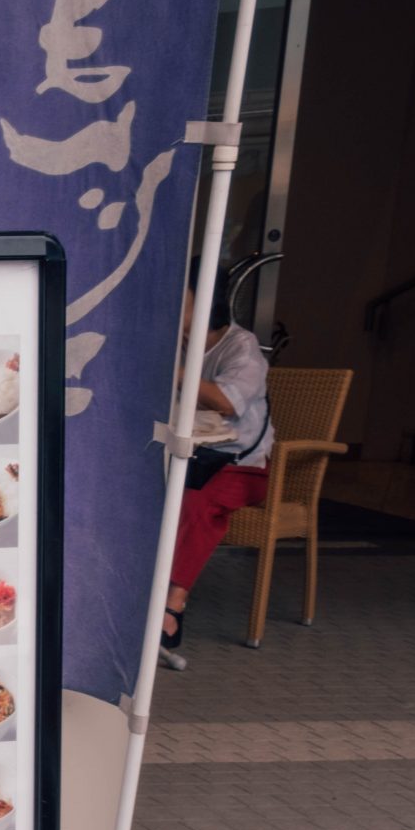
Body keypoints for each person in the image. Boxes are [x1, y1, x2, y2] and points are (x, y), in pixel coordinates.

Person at [159, 268, 273, 671]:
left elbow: (226, 401)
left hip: (238, 464)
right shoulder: (175, 341)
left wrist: (169, 372)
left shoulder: (242, 348)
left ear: (208, 302)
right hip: (184, 456)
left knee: (194, 503)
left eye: (183, 298)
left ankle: (172, 606)